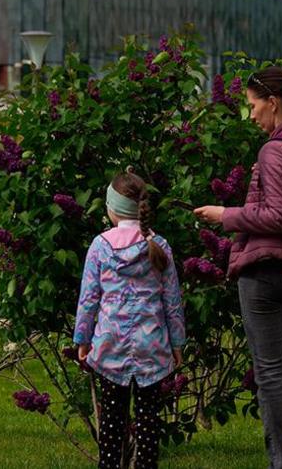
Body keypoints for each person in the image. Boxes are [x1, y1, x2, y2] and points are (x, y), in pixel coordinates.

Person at [194, 65, 282, 469]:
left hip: (266, 271)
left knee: (271, 374)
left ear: (273, 103)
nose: (251, 114)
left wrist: (227, 215)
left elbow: (279, 217)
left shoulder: (276, 149)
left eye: (253, 105)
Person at [74, 171, 185, 469]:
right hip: (153, 350)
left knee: (111, 424)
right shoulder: (159, 246)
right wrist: (177, 344)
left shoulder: (100, 246)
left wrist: (82, 340)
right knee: (149, 425)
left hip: (110, 349)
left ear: (112, 209)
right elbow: (172, 302)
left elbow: (88, 300)